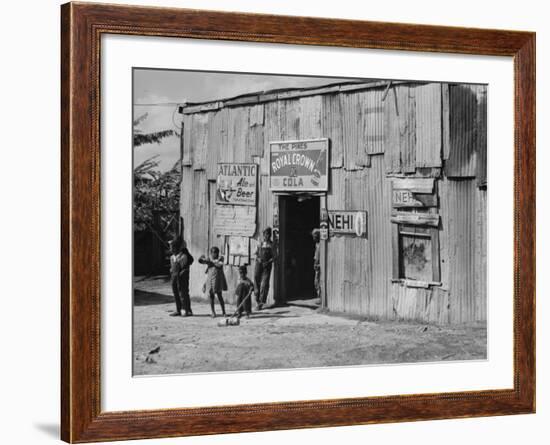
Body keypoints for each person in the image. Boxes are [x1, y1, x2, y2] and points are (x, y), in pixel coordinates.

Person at [199, 247, 227, 318]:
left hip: (218, 281)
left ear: (218, 253)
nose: (213, 254)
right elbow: (201, 261)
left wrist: (209, 262)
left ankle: (224, 311)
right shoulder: (210, 261)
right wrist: (202, 258)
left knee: (220, 296)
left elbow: (218, 265)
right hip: (210, 281)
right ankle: (213, 312)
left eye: (215, 252)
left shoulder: (220, 259)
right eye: (212, 252)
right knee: (211, 296)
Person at [169, 236, 194, 317]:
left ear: (178, 248)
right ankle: (178, 309)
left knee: (183, 293)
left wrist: (181, 273)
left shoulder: (183, 256)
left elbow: (184, 267)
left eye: (173, 248)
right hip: (174, 277)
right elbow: (172, 267)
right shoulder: (172, 257)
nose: (171, 249)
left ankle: (187, 310)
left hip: (182, 278)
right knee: (176, 293)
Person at [254, 227, 276, 310]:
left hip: (267, 265)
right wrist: (258, 259)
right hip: (259, 264)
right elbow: (256, 253)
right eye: (265, 234)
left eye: (268, 234)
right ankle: (257, 300)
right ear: (263, 235)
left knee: (264, 283)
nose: (267, 236)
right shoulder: (260, 243)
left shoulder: (272, 244)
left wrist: (269, 261)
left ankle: (261, 302)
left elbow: (274, 257)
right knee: (256, 281)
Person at [312, 229, 321, 301]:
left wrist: (320, 264)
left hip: (320, 266)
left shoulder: (321, 245)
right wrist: (315, 263)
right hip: (317, 265)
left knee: (319, 281)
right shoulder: (317, 244)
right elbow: (316, 256)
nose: (313, 238)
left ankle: (320, 298)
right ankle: (319, 296)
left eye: (314, 236)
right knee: (316, 281)